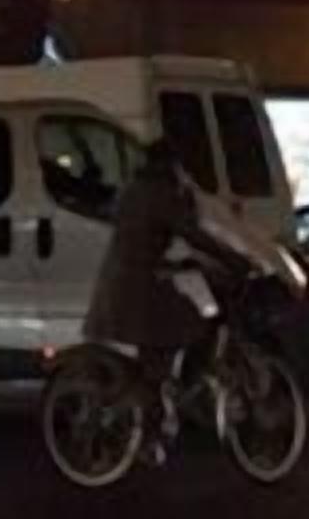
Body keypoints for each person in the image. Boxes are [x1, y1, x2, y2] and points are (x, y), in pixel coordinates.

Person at [83, 131, 251, 457]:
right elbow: (193, 232)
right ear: (170, 165)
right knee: (191, 322)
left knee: (164, 343)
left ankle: (158, 417)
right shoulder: (158, 193)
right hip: (138, 289)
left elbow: (147, 236)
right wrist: (236, 260)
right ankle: (155, 424)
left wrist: (177, 261)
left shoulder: (137, 189)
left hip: (128, 282)